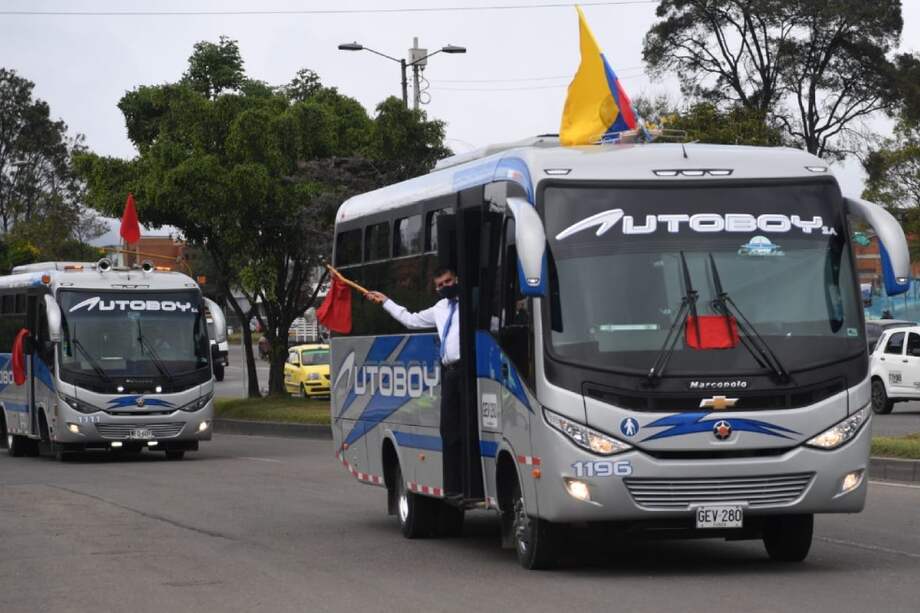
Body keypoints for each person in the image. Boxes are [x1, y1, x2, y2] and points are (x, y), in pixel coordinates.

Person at [365, 268, 464, 501]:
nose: (445, 287)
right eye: (440, 285)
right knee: (448, 431)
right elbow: (411, 320)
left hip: (467, 370)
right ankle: (453, 488)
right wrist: (386, 302)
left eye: (448, 282)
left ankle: (467, 485)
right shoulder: (440, 308)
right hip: (449, 372)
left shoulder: (470, 303)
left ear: (457, 279)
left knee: (465, 431)